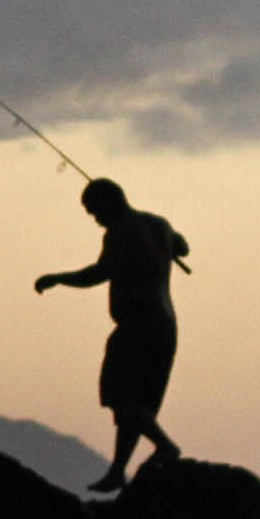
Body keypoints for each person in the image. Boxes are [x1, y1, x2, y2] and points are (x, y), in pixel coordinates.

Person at [33, 176, 192, 493]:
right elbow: (183, 247)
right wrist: (164, 243)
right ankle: (118, 470)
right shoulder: (158, 223)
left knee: (121, 397)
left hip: (137, 326)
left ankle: (165, 447)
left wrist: (58, 278)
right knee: (138, 403)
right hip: (166, 325)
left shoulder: (120, 232)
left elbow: (100, 273)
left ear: (110, 201)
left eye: (94, 211)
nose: (95, 219)